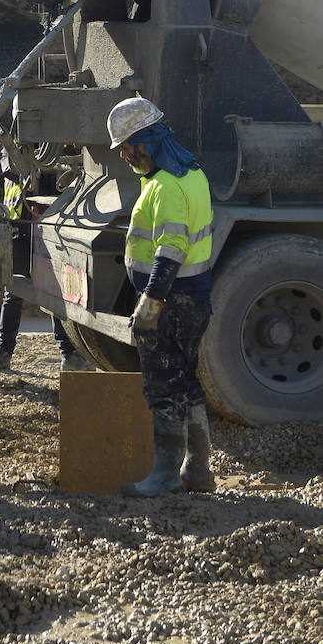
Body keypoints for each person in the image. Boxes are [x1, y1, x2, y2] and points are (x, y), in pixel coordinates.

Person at [107, 96, 215, 497]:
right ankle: (199, 471)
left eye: (126, 145)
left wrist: (150, 304)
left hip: (171, 303)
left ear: (146, 142)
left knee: (164, 386)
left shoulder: (166, 187)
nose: (123, 153)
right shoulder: (192, 174)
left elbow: (172, 250)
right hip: (194, 299)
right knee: (187, 381)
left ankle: (166, 476)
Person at [0, 154, 92, 374]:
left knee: (53, 293)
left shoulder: (47, 154)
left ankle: (69, 354)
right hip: (19, 229)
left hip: (44, 233)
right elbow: (10, 169)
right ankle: (3, 352)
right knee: (13, 290)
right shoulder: (16, 153)